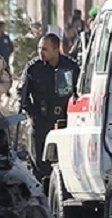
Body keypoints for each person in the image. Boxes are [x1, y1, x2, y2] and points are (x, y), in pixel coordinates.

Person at [18, 33, 80, 180]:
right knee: (39, 161)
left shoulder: (70, 67)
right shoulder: (34, 68)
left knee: (64, 159)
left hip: (64, 120)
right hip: (41, 120)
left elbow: (79, 91)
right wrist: (32, 113)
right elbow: (22, 93)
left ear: (56, 49)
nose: (41, 52)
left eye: (45, 49)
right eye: (39, 48)